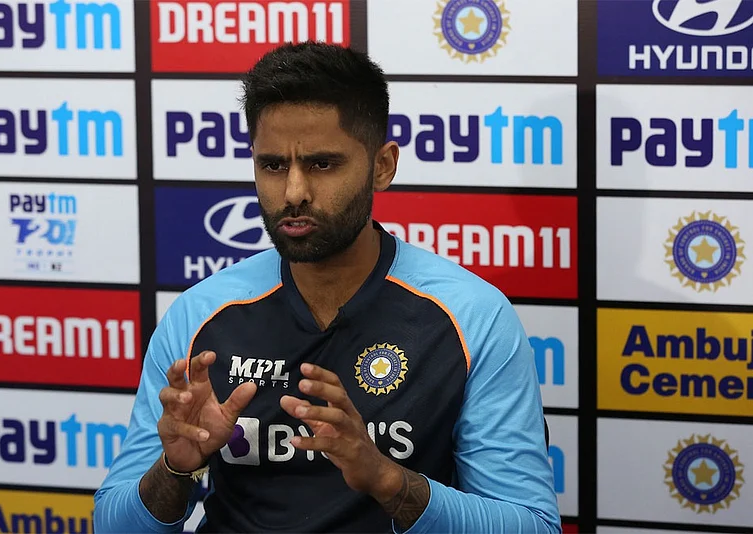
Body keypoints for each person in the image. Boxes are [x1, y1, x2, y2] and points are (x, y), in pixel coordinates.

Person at [93, 41, 561, 534]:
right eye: (273, 165)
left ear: (382, 166)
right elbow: (113, 526)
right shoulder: (199, 315)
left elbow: (532, 525)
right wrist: (176, 469)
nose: (293, 192)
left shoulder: (472, 316)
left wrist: (387, 479)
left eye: (322, 164)